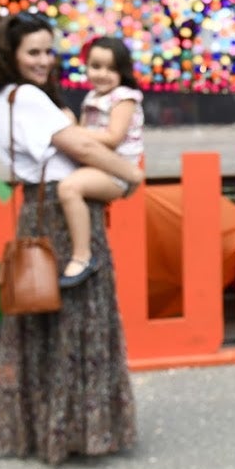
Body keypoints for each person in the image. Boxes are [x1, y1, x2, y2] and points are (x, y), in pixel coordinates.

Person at [0, 10, 143, 465]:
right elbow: (86, 147)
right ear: (10, 56)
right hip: (60, 217)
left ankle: (48, 427)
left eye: (49, 51)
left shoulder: (3, 100)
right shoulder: (27, 97)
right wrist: (130, 176)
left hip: (38, 211)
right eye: (34, 52)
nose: (44, 60)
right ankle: (76, 432)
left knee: (44, 324)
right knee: (77, 320)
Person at [56, 37, 145, 287]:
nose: (102, 74)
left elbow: (113, 138)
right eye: (96, 66)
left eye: (111, 68)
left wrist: (72, 131)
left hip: (118, 173)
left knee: (69, 188)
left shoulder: (124, 97)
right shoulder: (92, 97)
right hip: (97, 165)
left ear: (122, 71)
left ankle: (83, 257)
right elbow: (85, 135)